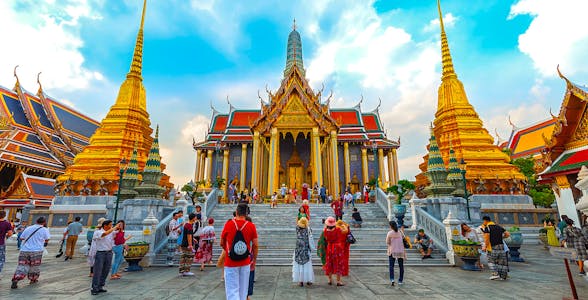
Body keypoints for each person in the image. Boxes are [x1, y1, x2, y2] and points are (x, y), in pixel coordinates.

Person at [221, 203, 258, 300]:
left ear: (236, 212)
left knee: (232, 291)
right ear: (246, 214)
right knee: (243, 291)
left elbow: (221, 242)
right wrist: (254, 260)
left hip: (230, 262)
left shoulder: (229, 224)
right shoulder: (251, 226)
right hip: (245, 261)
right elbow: (255, 245)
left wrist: (228, 250)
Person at [11, 216, 50, 289]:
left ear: (36, 221)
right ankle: (33, 279)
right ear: (44, 222)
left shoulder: (28, 228)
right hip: (36, 251)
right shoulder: (44, 229)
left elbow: (21, 237)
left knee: (22, 265)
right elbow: (47, 239)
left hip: (24, 250)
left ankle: (16, 278)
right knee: (34, 266)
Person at [90, 219, 119, 295]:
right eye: (110, 225)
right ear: (105, 226)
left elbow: (118, 234)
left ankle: (100, 286)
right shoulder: (98, 232)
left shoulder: (111, 232)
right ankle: (94, 288)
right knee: (98, 271)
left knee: (106, 270)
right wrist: (114, 228)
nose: (111, 226)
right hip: (101, 253)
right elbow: (104, 234)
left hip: (109, 252)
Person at [482, 215, 510, 280]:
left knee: (491, 260)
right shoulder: (499, 227)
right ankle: (503, 276)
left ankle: (495, 274)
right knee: (502, 261)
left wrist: (485, 247)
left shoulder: (487, 228)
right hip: (501, 246)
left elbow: (486, 238)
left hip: (492, 246)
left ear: (485, 221)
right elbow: (507, 234)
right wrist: (501, 237)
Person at [322, 217, 346, 286]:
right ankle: (338, 281)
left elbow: (326, 239)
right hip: (337, 248)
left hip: (329, 248)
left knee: (330, 263)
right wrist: (343, 225)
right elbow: (345, 231)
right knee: (338, 263)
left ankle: (330, 280)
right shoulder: (338, 229)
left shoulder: (325, 231)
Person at [292, 217, 315, 287]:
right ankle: (308, 280)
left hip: (298, 249)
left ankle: (301, 281)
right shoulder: (308, 229)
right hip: (305, 249)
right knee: (307, 265)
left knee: (299, 265)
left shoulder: (297, 228)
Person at [386, 221, 405, 286]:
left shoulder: (390, 233)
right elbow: (403, 239)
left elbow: (387, 242)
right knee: (401, 266)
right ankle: (400, 280)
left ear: (391, 226)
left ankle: (392, 279)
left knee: (391, 266)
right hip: (400, 251)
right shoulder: (400, 232)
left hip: (392, 250)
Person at [0, 210, 14, 276]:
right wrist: (6, 236)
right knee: (1, 259)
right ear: (5, 215)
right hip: (1, 243)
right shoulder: (7, 223)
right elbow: (10, 233)